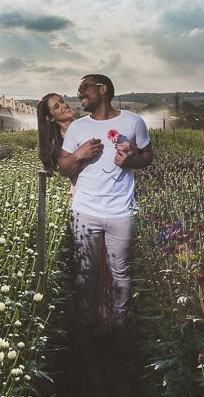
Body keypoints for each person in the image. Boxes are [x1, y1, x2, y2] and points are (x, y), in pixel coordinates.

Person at [57, 74, 153, 331]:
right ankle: (85, 325)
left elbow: (148, 156)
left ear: (103, 89)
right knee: (85, 272)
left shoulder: (134, 121)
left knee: (120, 271)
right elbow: (64, 168)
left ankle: (118, 325)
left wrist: (131, 161)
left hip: (121, 211)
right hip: (85, 211)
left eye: (84, 88)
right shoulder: (77, 127)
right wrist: (78, 154)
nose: (79, 94)